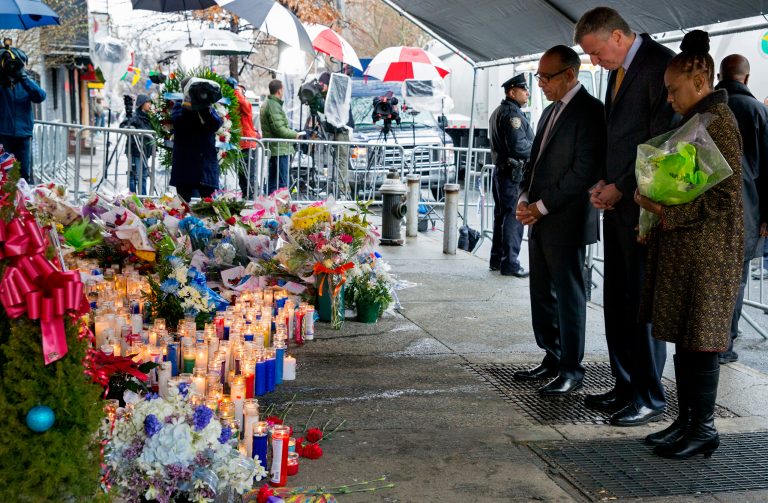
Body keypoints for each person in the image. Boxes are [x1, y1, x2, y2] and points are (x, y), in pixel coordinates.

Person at [635, 30, 743, 459]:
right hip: (689, 248)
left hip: (709, 252)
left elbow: (725, 196)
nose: (669, 99)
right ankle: (686, 420)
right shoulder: (698, 119)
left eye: (674, 90)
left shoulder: (720, 121)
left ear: (700, 85)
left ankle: (704, 427)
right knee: (684, 335)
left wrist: (663, 211)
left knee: (701, 338)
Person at [575, 6, 674, 426]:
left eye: (596, 53)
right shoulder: (618, 70)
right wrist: (603, 181)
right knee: (616, 299)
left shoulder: (660, 65)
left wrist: (621, 184)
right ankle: (624, 383)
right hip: (617, 201)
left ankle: (649, 394)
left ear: (618, 36)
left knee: (641, 302)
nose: (594, 63)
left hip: (642, 206)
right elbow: (617, 136)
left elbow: (662, 140)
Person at [514, 46, 606, 395]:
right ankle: (551, 357)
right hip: (539, 217)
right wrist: (524, 199)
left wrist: (542, 206)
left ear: (570, 74)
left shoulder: (590, 111)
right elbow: (533, 163)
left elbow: (583, 170)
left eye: (546, 77)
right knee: (542, 292)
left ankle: (572, 367)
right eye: (538, 77)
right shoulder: (548, 112)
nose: (540, 84)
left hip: (565, 219)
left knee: (568, 295)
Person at [715, 55, 768, 365]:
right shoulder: (757, 111)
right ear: (746, 79)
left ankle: (706, 338)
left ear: (721, 75)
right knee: (737, 279)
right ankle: (725, 343)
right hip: (745, 210)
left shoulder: (710, 108)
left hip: (709, 208)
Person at [488, 74, 533, 277]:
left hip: (502, 171)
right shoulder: (513, 115)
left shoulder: (499, 111)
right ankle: (510, 264)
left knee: (501, 217)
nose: (528, 93)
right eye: (524, 90)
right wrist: (539, 149)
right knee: (513, 218)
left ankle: (497, 259)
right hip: (511, 174)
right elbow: (518, 146)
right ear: (512, 92)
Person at [169, 80, 223, 202]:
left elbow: (215, 124)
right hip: (185, 163)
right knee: (183, 204)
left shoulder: (207, 107)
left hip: (205, 165)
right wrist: (189, 106)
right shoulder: (179, 106)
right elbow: (179, 123)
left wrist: (204, 108)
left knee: (209, 205)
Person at [0, 47, 46, 184]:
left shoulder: (26, 83)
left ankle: (22, 202)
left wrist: (24, 78)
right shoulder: (1, 84)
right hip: (3, 135)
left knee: (23, 173)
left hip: (23, 135)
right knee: (5, 174)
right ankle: (6, 204)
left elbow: (40, 96)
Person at [261, 79, 302, 195]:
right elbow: (279, 128)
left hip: (275, 149)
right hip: (279, 149)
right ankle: (282, 208)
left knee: (273, 182)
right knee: (282, 183)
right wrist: (295, 134)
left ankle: (271, 207)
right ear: (279, 91)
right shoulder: (273, 105)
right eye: (283, 89)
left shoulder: (270, 103)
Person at [225, 78, 261, 199]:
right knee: (242, 175)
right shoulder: (233, 102)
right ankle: (247, 197)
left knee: (249, 175)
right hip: (240, 143)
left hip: (247, 143)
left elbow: (246, 107)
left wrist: (236, 91)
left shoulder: (242, 101)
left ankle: (252, 198)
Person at [124, 94, 153, 194]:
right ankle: (135, 199)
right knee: (136, 177)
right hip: (136, 151)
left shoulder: (149, 117)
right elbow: (124, 126)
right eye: (148, 102)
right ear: (142, 104)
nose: (150, 105)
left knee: (143, 177)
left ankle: (143, 200)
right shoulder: (135, 116)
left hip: (145, 151)